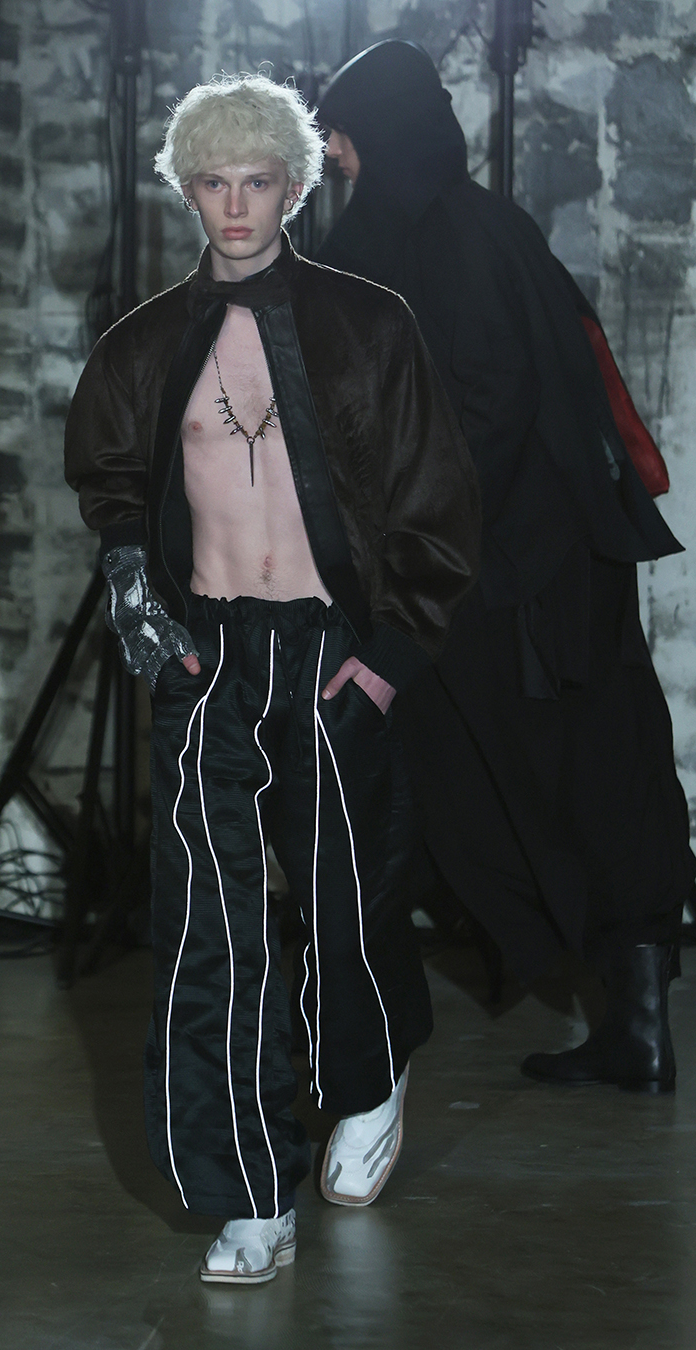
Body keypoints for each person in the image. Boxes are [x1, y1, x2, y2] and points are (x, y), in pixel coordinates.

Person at [64, 73, 479, 1283]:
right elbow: (111, 492)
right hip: (210, 660)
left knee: (349, 898)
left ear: (294, 188)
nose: (236, 205)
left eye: (257, 181)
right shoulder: (143, 344)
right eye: (214, 182)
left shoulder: (371, 324)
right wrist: (148, 617)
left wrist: (390, 659)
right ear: (187, 190)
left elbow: (436, 496)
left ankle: (369, 1073)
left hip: (332, 650)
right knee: (211, 929)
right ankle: (250, 1191)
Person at [317, 40, 695, 1094]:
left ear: (382, 133)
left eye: (342, 134)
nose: (334, 155)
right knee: (594, 778)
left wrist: (402, 529)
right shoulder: (469, 225)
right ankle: (637, 1030)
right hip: (537, 566)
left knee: (546, 781)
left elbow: (490, 404)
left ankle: (632, 1028)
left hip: (513, 578)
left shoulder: (453, 237)